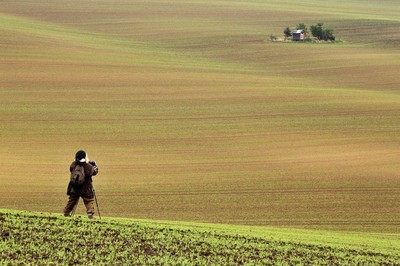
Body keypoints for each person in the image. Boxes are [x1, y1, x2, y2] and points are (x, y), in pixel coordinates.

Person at [63, 150, 99, 219]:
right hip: (86, 188)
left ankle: (66, 212)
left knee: (72, 200)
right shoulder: (88, 166)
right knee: (88, 200)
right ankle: (90, 213)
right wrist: (94, 165)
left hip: (74, 187)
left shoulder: (73, 164)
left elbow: (71, 169)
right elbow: (94, 172)